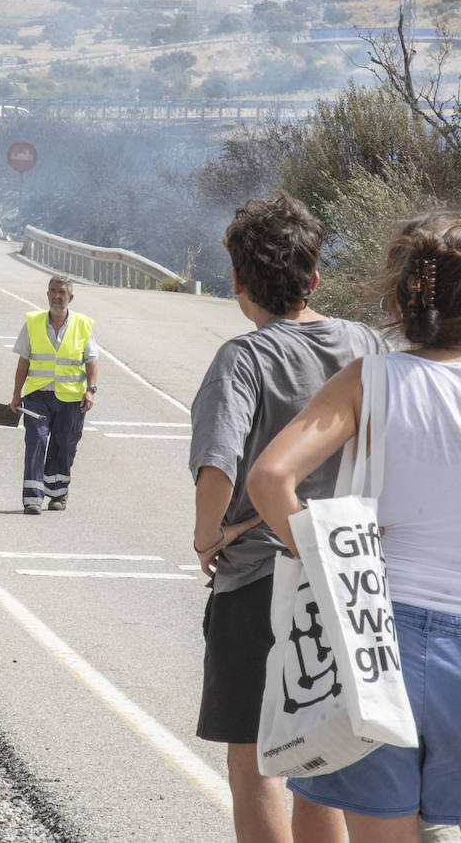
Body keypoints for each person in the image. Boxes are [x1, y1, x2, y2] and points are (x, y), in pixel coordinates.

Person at [247, 210, 461, 843]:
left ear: (404, 296)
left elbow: (270, 481)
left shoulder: (368, 381)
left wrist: (338, 571)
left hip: (378, 634)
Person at [189, 192, 385, 843]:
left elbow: (219, 466)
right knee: (321, 756)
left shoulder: (242, 360)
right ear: (316, 276)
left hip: (260, 582)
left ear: (239, 282)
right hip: (349, 579)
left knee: (257, 761)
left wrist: (207, 534)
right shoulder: (364, 345)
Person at [9, 275, 98, 514]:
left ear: (71, 297)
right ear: (47, 293)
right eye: (52, 291)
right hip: (38, 395)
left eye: (61, 292)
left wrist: (90, 390)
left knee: (64, 445)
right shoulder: (33, 322)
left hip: (71, 398)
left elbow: (91, 361)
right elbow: (23, 363)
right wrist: (16, 395)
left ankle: (58, 494)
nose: (56, 296)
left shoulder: (83, 324)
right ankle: (32, 499)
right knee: (36, 440)